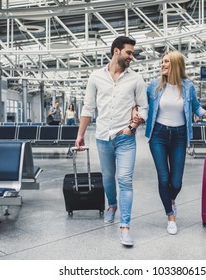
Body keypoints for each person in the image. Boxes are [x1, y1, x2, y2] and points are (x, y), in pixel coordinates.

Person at [75, 36, 148, 247]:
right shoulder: (96, 77)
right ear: (116, 51)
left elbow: (144, 107)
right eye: (129, 52)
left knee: (125, 179)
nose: (131, 57)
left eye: (132, 53)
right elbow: (88, 108)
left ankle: (125, 226)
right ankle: (112, 205)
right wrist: (80, 134)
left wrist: (132, 126)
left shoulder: (136, 79)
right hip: (102, 137)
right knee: (108, 177)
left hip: (125, 137)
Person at [145, 51, 206, 235]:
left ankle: (170, 199)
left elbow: (195, 106)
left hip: (180, 135)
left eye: (166, 62)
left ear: (175, 64)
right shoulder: (153, 86)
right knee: (164, 178)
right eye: (162, 62)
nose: (162, 65)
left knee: (177, 182)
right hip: (158, 135)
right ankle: (170, 216)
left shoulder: (188, 86)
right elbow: (142, 105)